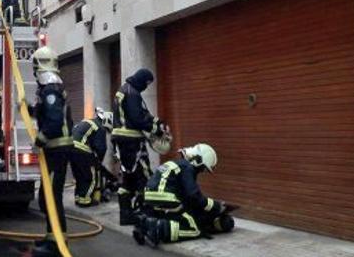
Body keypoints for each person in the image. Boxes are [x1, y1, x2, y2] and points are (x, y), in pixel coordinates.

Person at [133, 143, 237, 246]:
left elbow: (186, 195)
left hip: (151, 196)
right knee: (194, 229)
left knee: (179, 216)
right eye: (203, 168)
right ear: (198, 160)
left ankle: (145, 222)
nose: (201, 171)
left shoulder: (179, 164)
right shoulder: (188, 168)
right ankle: (157, 228)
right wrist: (216, 206)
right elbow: (194, 195)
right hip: (166, 196)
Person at [26, 46, 73, 256]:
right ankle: (51, 236)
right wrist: (28, 109)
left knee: (52, 197)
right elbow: (47, 111)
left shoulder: (51, 87)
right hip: (55, 150)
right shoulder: (50, 88)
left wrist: (39, 141)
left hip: (57, 150)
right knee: (46, 198)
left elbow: (54, 122)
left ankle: (56, 244)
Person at [111, 68, 168, 225]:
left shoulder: (126, 90)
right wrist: (156, 130)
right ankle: (147, 213)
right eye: (147, 84)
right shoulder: (133, 93)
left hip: (121, 141)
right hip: (131, 141)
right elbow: (138, 119)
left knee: (128, 177)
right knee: (144, 174)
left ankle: (126, 214)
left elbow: (144, 113)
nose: (146, 87)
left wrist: (158, 122)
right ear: (142, 80)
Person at [71, 108, 112, 207]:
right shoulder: (100, 127)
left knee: (79, 176)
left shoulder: (88, 121)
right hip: (82, 150)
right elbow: (101, 148)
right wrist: (98, 162)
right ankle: (86, 201)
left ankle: (79, 198)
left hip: (71, 149)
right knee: (90, 177)